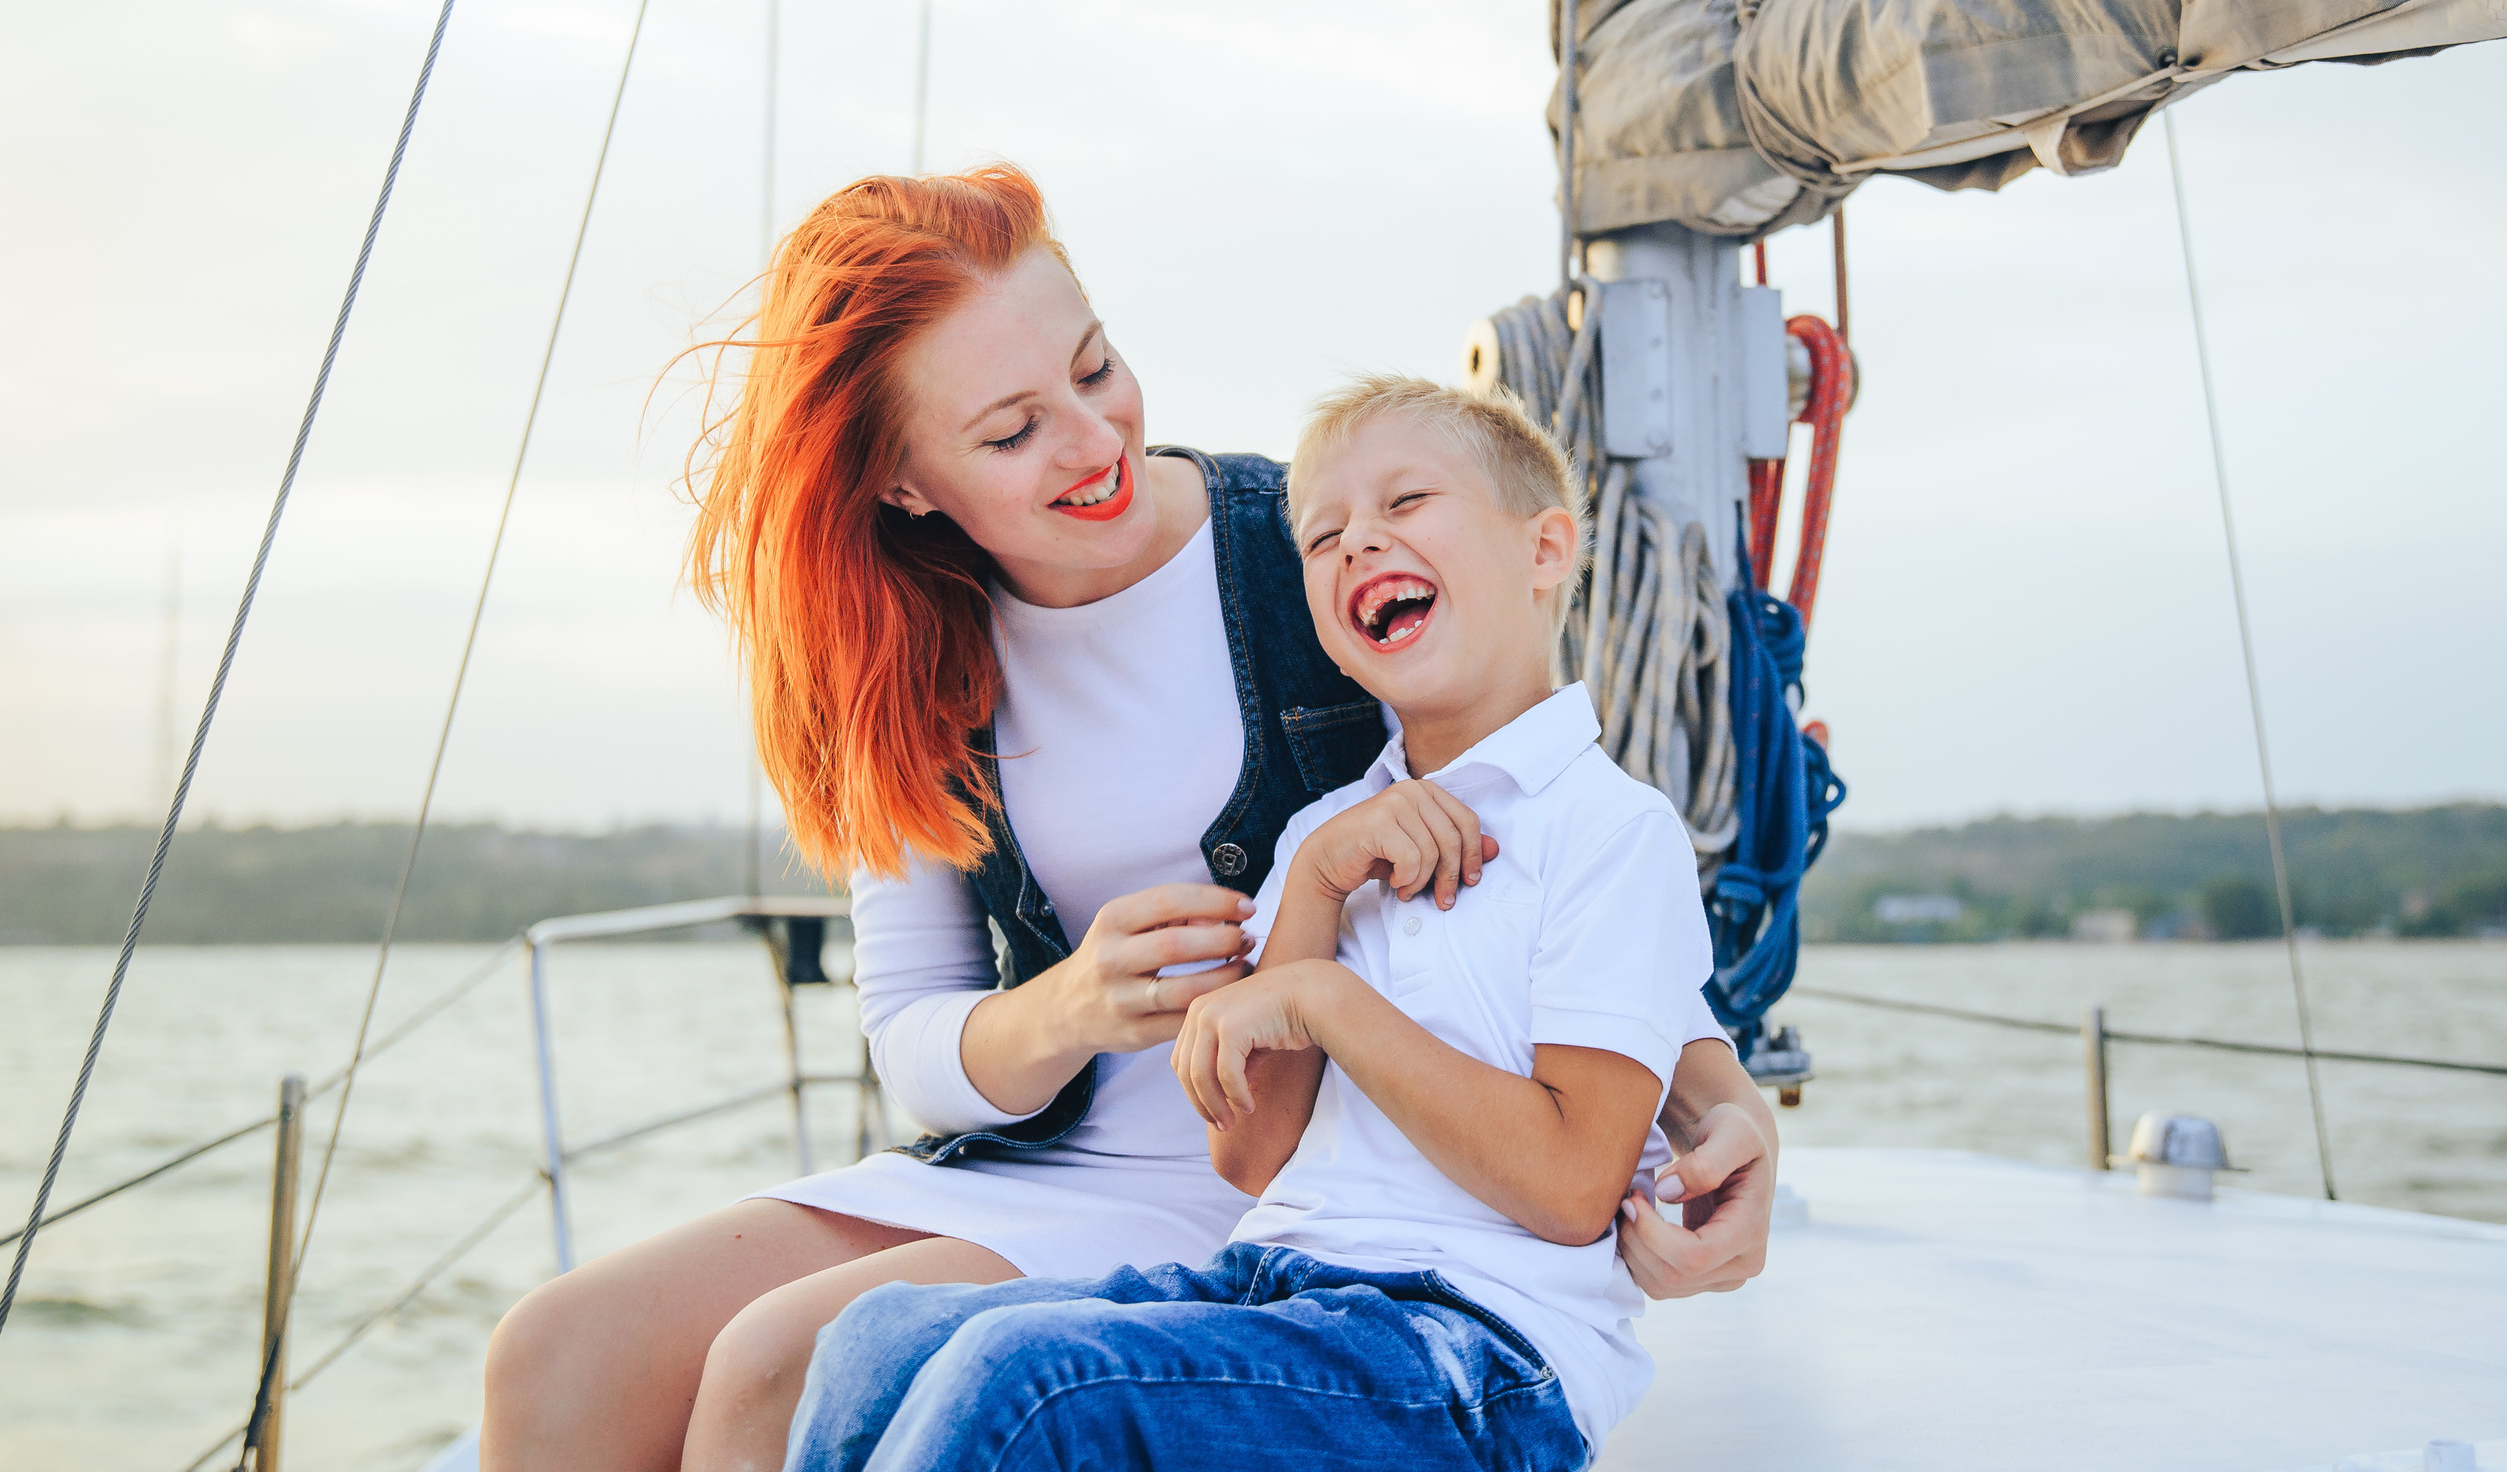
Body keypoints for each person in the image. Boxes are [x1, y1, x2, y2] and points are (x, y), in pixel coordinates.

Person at [479, 168, 1776, 1472]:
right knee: (554, 1352)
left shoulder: (1322, 554)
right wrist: (1076, 1001)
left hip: (1271, 1184)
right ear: (904, 483)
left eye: (1096, 367)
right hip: (1027, 1167)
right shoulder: (894, 660)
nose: (1094, 442)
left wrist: (1726, 1107)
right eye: (1010, 432)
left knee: (777, 1360)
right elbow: (914, 1045)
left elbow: (1554, 837)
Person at [777, 377, 1758, 1472]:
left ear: (1544, 551)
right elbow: (1250, 1152)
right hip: (1278, 1281)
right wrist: (1314, 895)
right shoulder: (1326, 837)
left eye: (1406, 502)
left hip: (1479, 1348)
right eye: (1323, 534)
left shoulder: (1612, 831)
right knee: (877, 1338)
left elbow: (1576, 1187)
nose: (1357, 543)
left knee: (1029, 1381)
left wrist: (1326, 999)